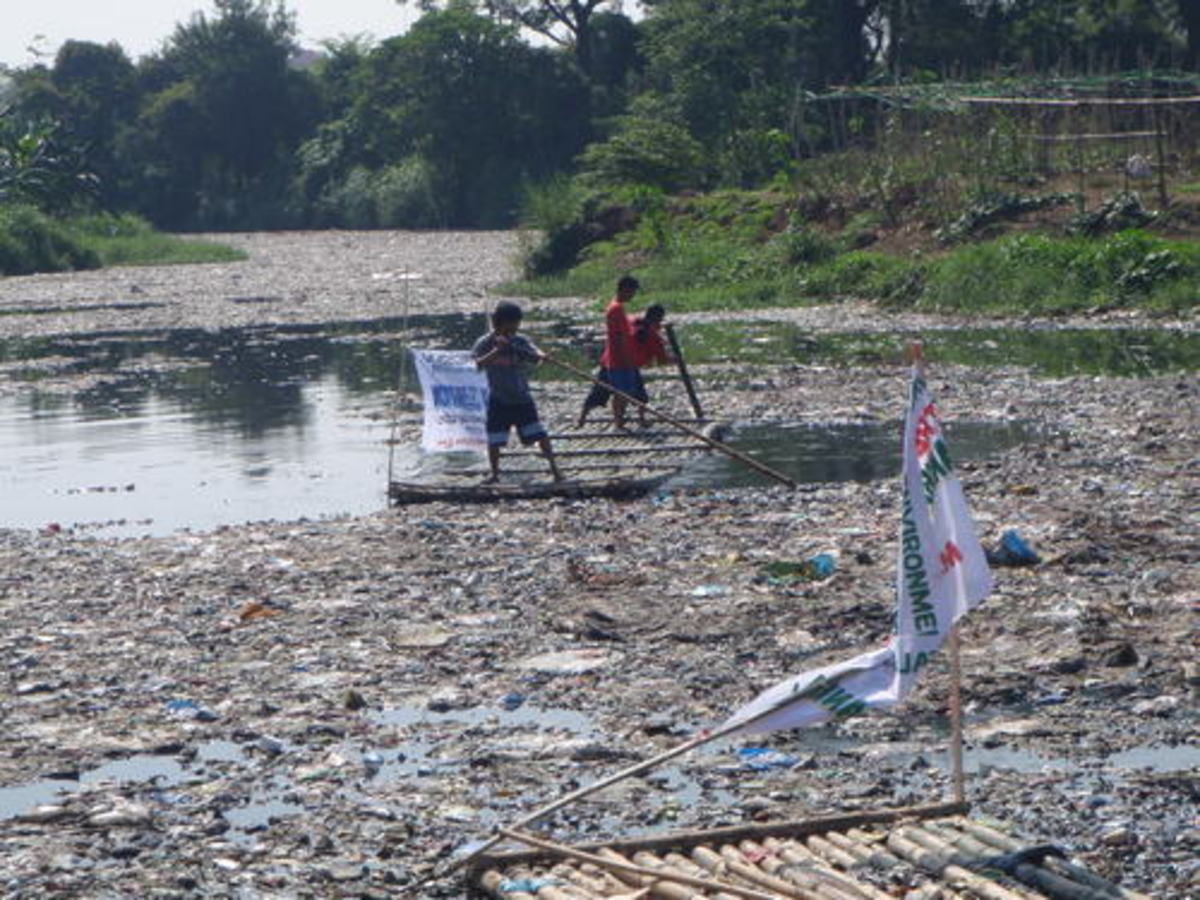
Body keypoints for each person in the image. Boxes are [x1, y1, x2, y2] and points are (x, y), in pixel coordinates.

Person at [472, 301, 563, 483]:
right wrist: (496, 351)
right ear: (501, 322)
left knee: (539, 434)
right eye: (512, 323)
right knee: (494, 439)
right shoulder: (485, 342)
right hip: (498, 399)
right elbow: (478, 365)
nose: (515, 327)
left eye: (517, 324)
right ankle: (495, 474)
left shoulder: (519, 341)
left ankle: (555, 470)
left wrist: (542, 356)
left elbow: (533, 353)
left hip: (522, 398)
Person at [578, 302, 672, 428]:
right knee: (630, 394)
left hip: (610, 360)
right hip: (626, 365)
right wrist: (674, 359)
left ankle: (582, 419)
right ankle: (623, 422)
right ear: (659, 319)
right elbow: (662, 360)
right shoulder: (652, 335)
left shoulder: (631, 321)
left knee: (600, 391)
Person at [578, 275, 639, 429]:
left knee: (621, 391)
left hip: (616, 357)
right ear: (625, 289)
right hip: (618, 359)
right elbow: (618, 337)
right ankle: (619, 422)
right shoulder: (616, 309)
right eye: (632, 292)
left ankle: (619, 421)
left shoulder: (617, 308)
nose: (633, 295)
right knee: (621, 392)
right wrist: (626, 358)